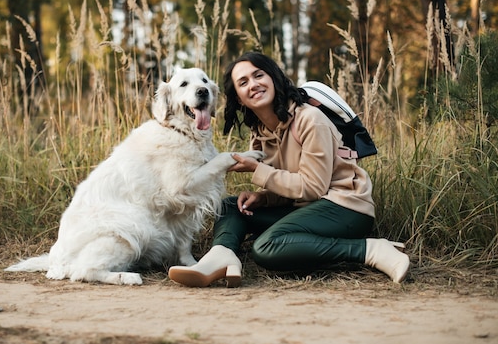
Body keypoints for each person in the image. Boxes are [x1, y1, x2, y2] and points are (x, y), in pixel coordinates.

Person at [168, 52, 410, 287]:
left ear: (273, 78)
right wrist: (262, 199)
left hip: (344, 207)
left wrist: (257, 169)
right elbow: (288, 186)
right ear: (239, 98)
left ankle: (371, 249)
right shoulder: (260, 133)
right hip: (305, 207)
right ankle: (221, 257)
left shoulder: (310, 119)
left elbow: (313, 187)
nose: (253, 84)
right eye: (243, 82)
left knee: (266, 246)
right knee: (230, 207)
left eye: (259, 75)